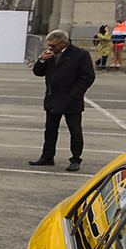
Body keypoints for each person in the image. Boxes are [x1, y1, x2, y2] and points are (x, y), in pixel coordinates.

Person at [31, 28, 95, 171]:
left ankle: (75, 159)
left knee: (75, 131)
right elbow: (38, 72)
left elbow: (88, 77)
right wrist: (41, 60)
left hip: (71, 100)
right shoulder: (51, 55)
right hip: (53, 98)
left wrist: (74, 95)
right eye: (49, 46)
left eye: (53, 46)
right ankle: (47, 156)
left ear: (63, 43)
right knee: (50, 130)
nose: (50, 48)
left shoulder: (80, 55)